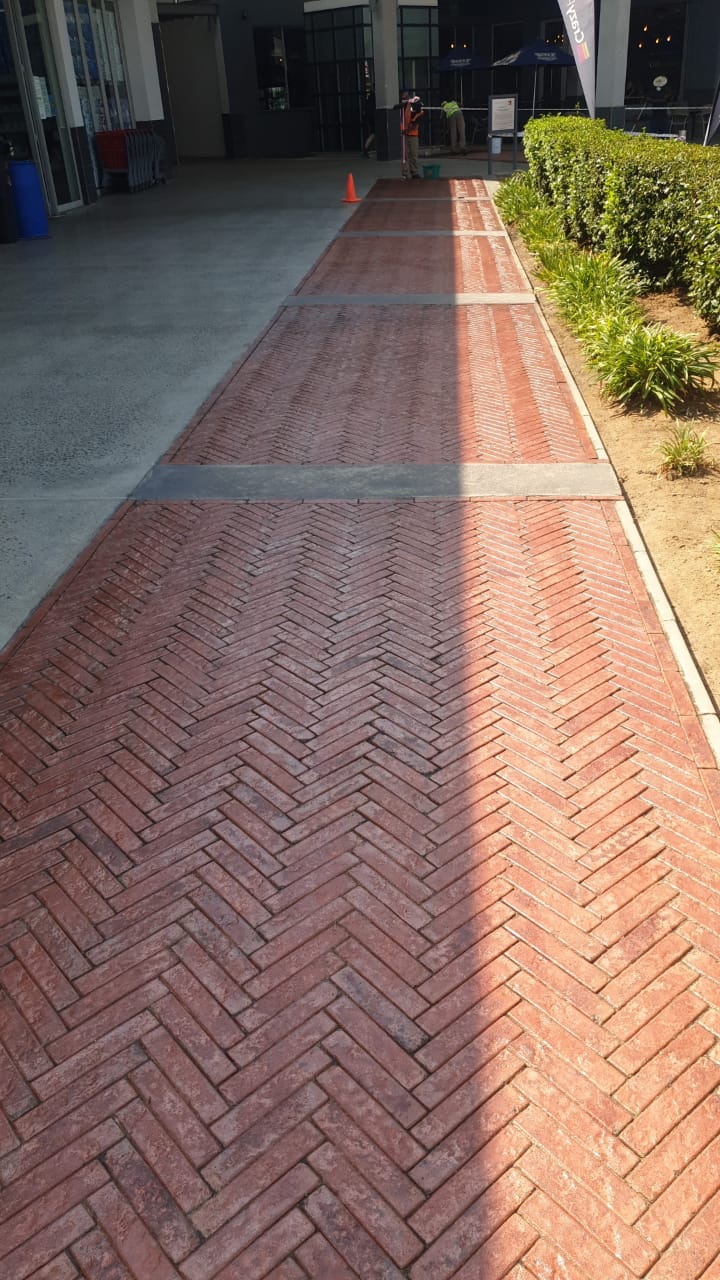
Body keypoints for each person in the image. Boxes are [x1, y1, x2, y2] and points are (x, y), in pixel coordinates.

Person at [400, 88, 424, 179]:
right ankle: (405, 173)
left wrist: (409, 127)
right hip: (404, 134)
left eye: (405, 95)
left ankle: (414, 172)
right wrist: (403, 130)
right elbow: (402, 120)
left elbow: (417, 118)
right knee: (405, 155)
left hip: (413, 134)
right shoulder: (404, 106)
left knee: (413, 154)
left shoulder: (415, 105)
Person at [362, 89, 376, 157]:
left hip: (370, 118)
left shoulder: (369, 98)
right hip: (374, 118)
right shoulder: (375, 97)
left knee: (372, 134)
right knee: (374, 134)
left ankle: (366, 148)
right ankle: (366, 149)